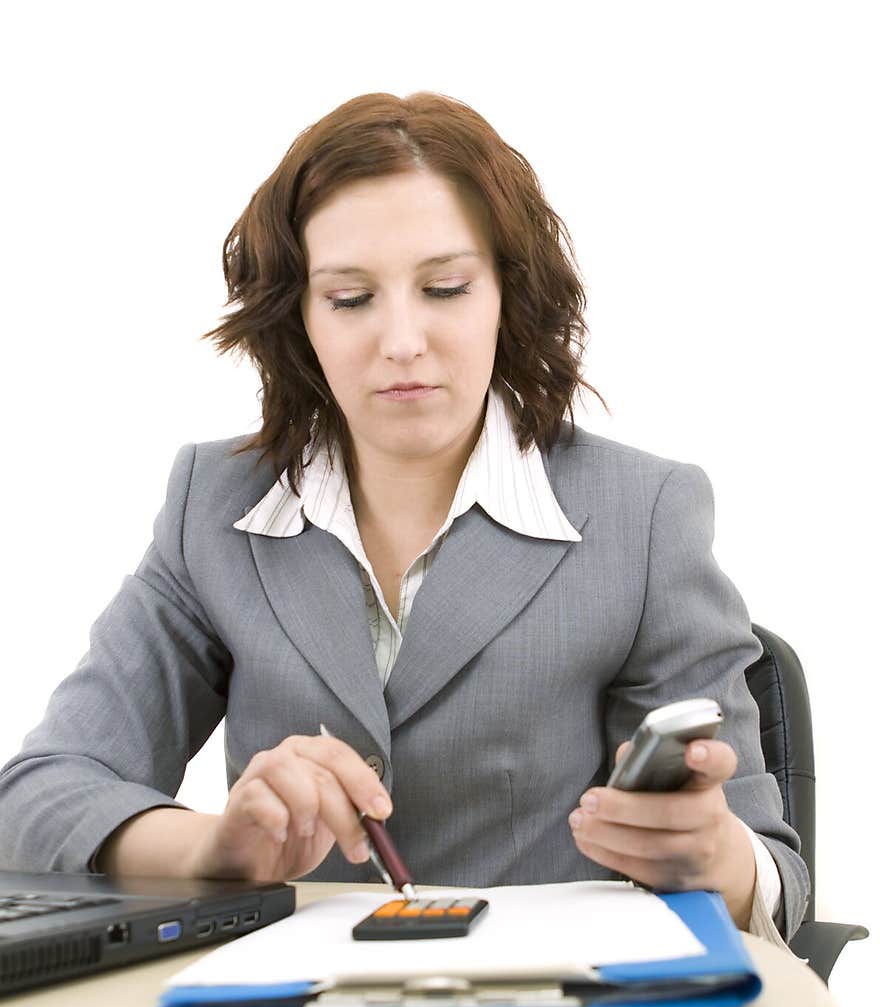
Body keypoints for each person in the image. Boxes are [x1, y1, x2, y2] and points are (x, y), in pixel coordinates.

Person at [0, 91, 809, 946]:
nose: (402, 341)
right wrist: (216, 845)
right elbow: (38, 793)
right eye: (350, 299)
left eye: (446, 288)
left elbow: (776, 878)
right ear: (300, 318)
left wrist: (715, 853)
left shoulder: (643, 517)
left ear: (507, 293)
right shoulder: (216, 503)